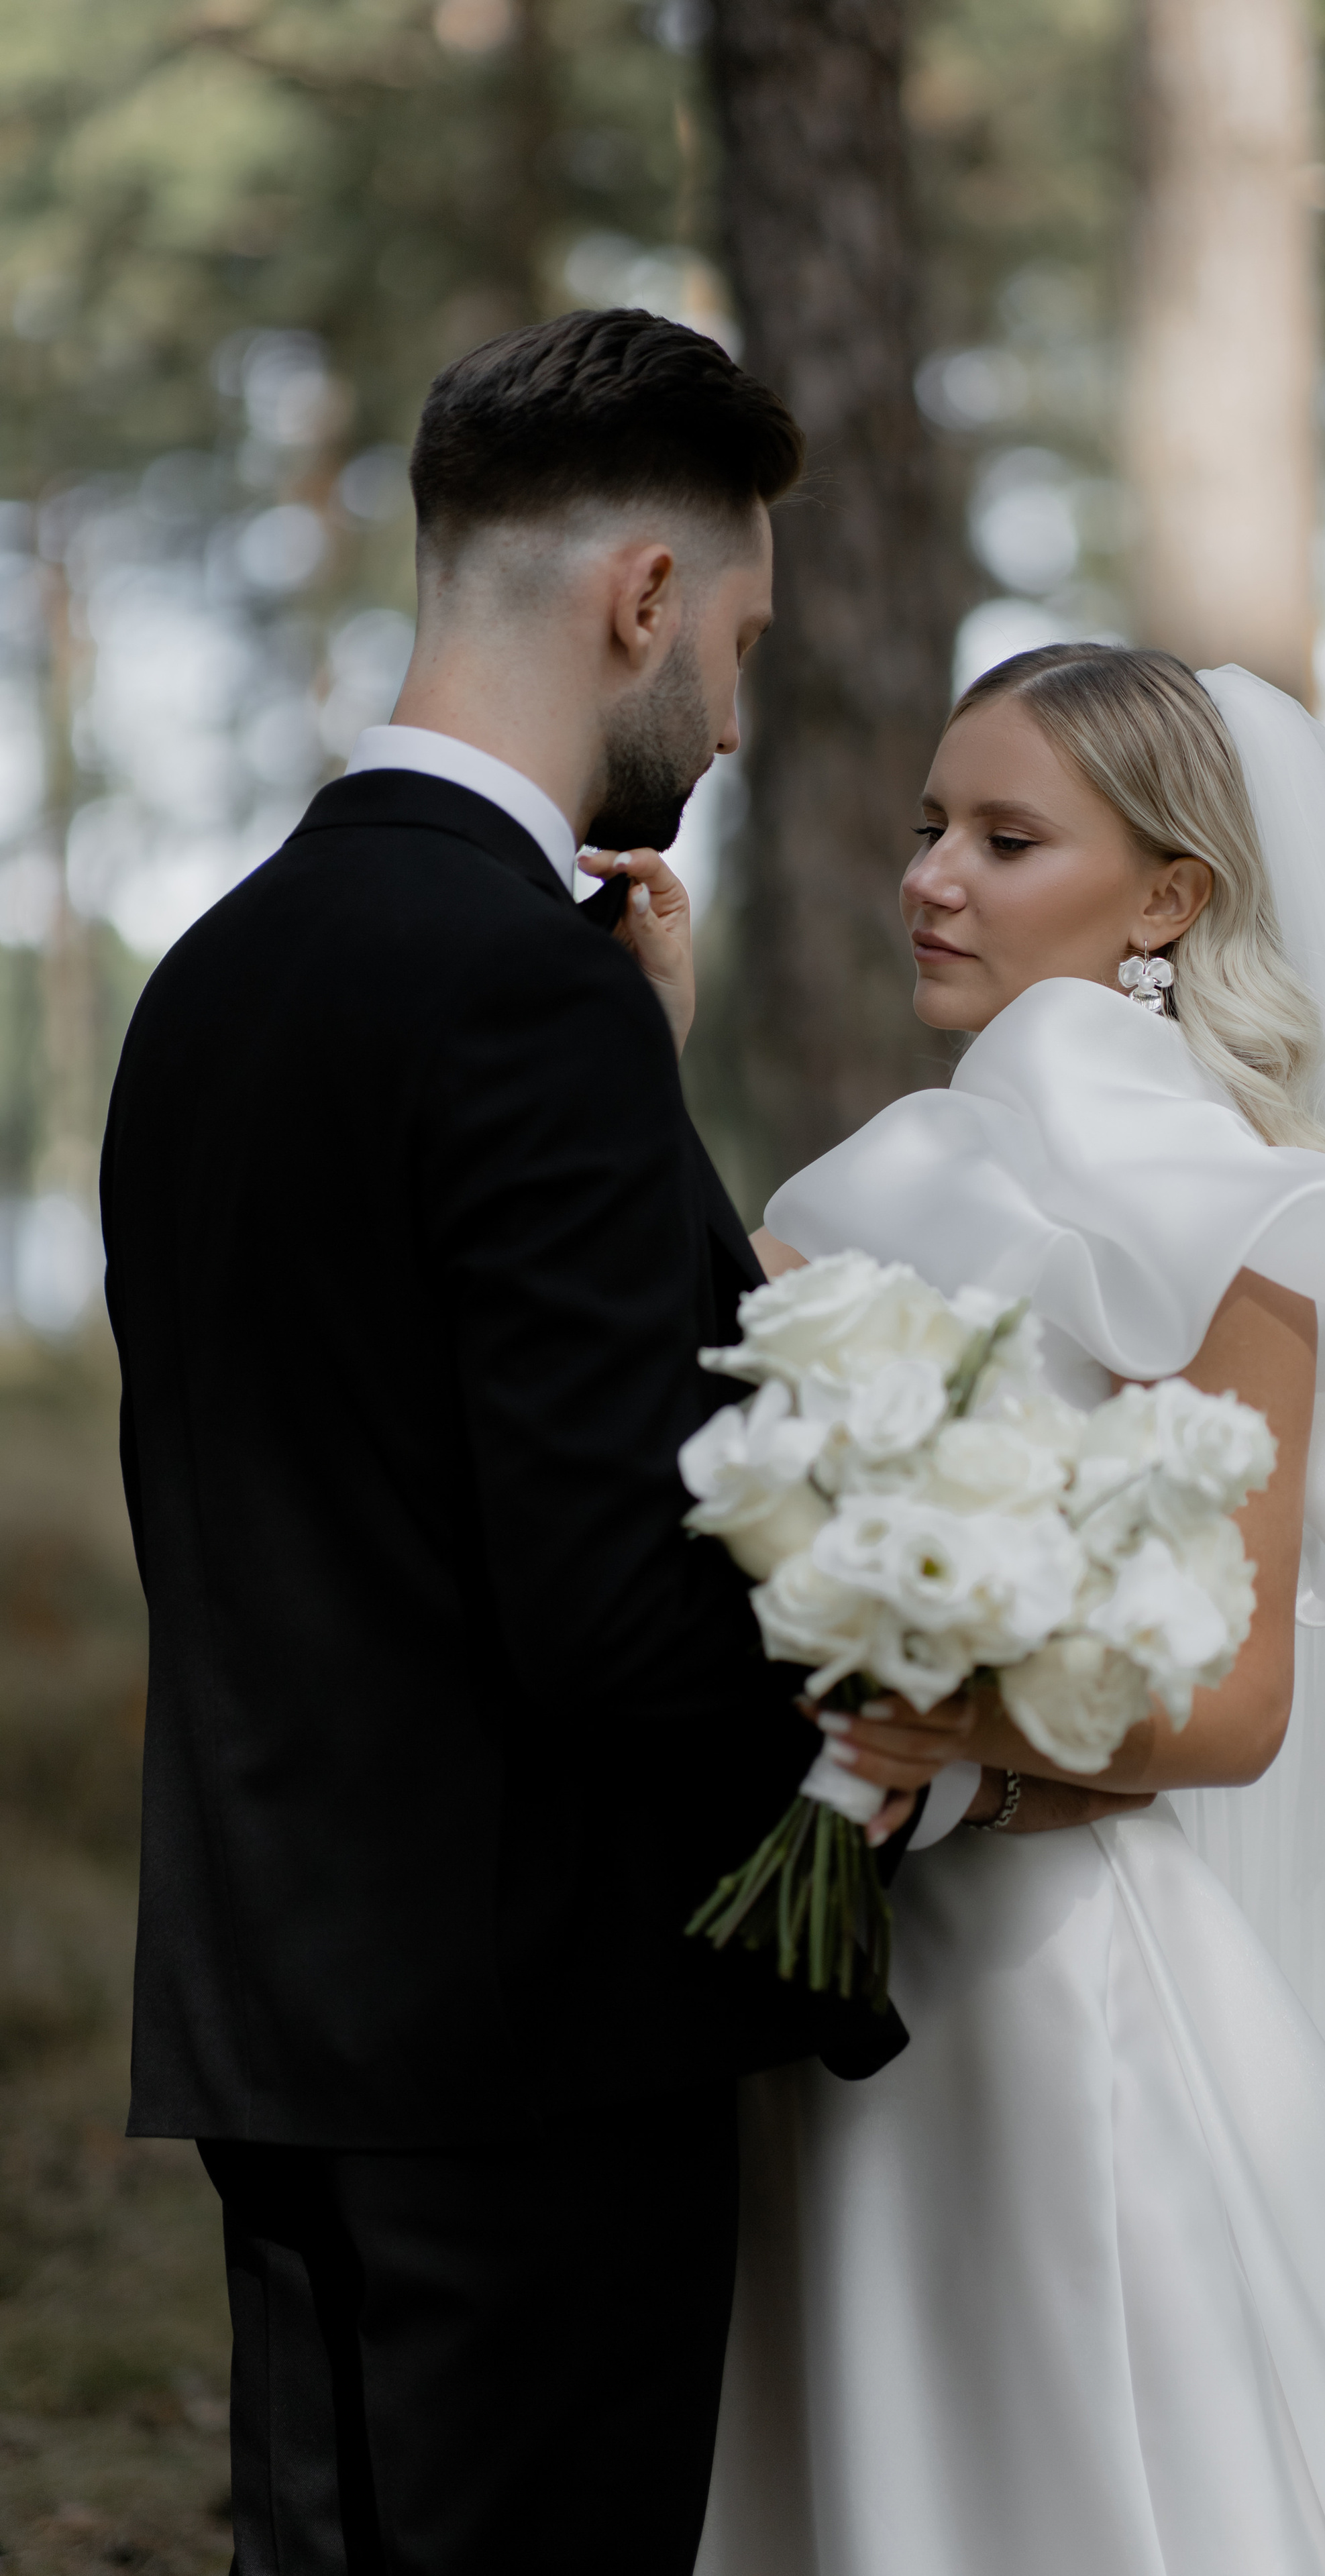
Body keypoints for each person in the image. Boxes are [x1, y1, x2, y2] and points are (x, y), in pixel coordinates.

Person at [98, 307, 971, 2576]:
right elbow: (600, 1593)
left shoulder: (219, 971)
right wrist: (875, 1754)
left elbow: (340, 1459)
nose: (748, 713)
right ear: (643, 603)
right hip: (531, 2044)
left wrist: (639, 1087)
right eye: (750, 637)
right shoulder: (519, 990)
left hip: (279, 2002)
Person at [681, 646, 1325, 2572]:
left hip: (1048, 1982)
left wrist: (961, 1735)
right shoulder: (860, 1185)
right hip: (824, 1971)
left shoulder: (1253, 1224)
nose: (932, 877)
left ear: (1172, 897)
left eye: (1006, 838)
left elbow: (1238, 1708)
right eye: (928, 828)